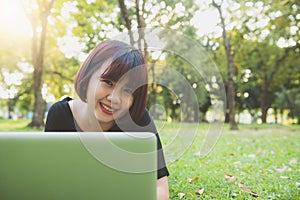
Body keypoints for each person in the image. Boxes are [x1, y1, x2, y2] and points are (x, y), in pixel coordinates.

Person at [45, 40, 169, 200]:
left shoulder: (138, 120)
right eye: (108, 82)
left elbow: (161, 190)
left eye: (127, 90)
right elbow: (50, 182)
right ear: (88, 78)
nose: (114, 98)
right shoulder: (60, 115)